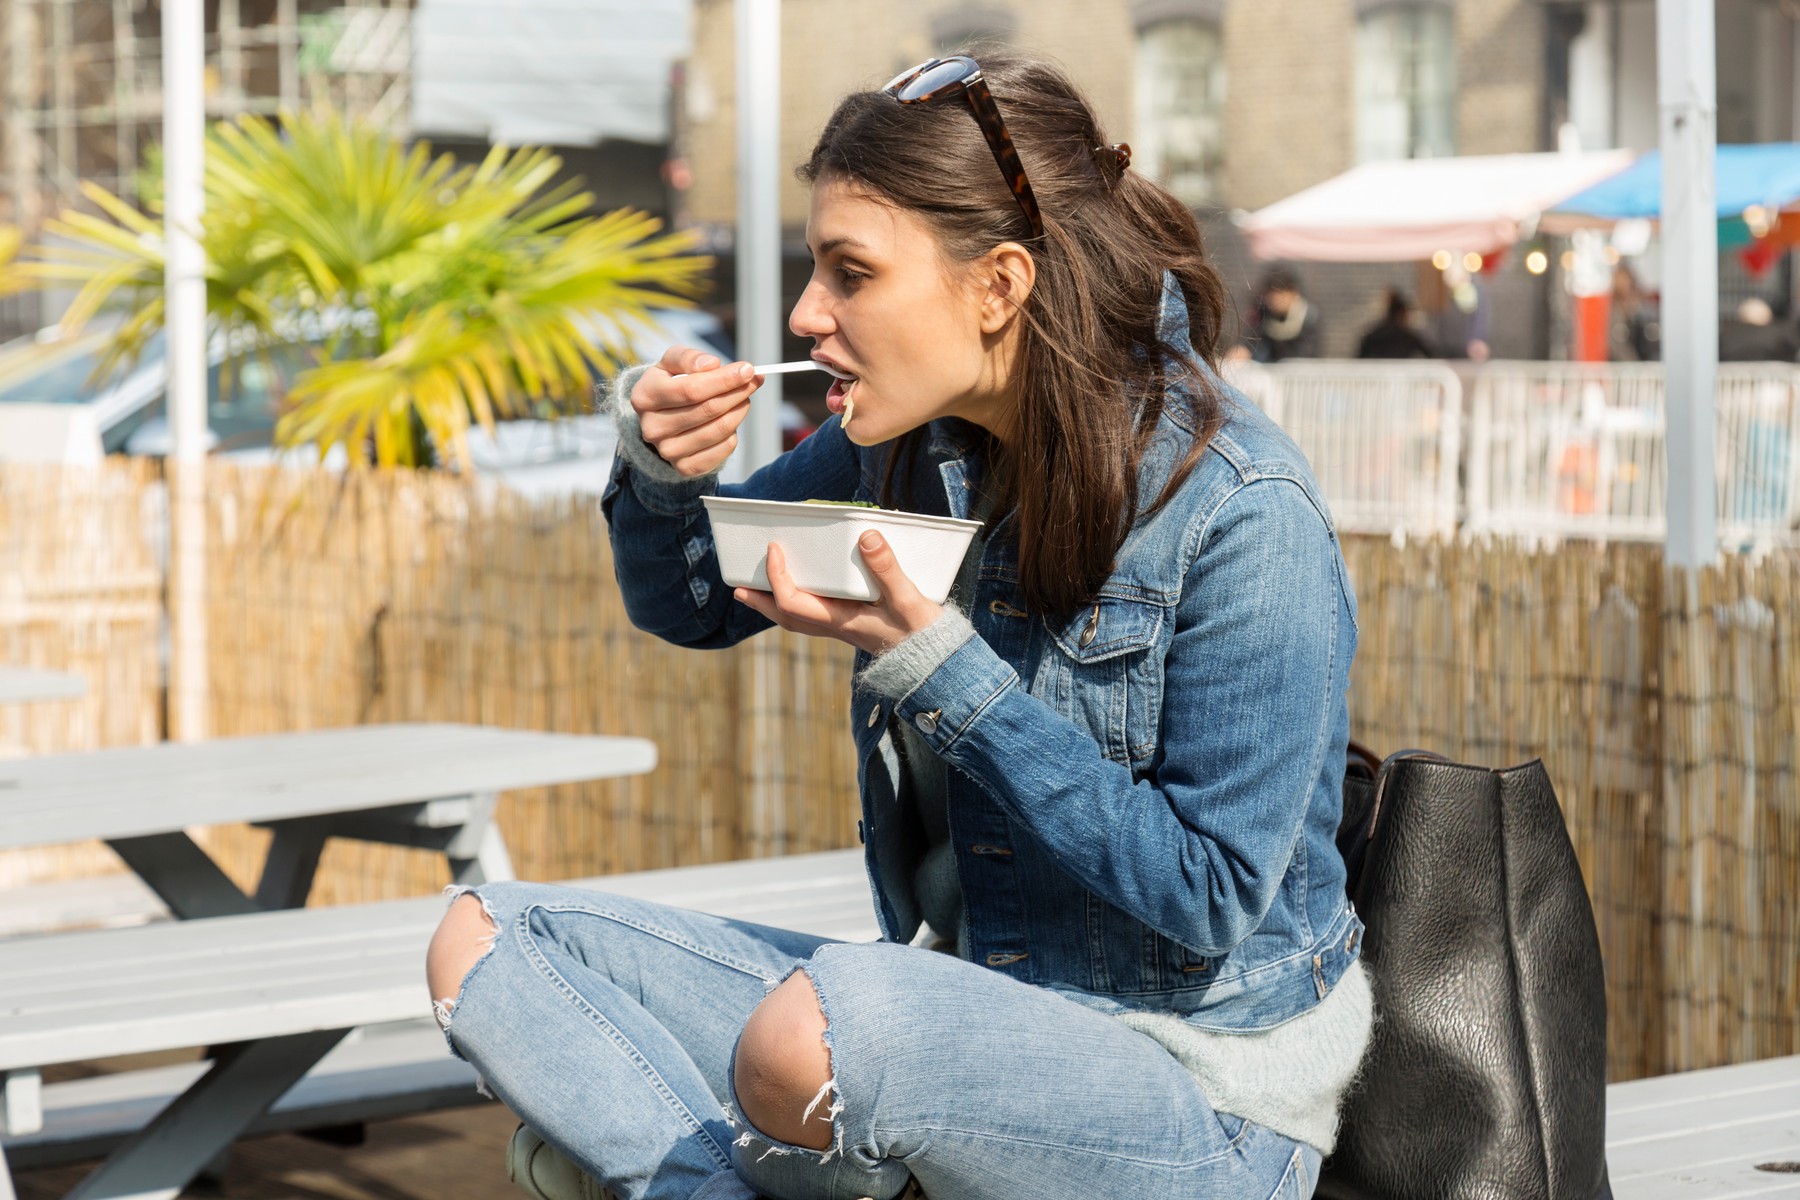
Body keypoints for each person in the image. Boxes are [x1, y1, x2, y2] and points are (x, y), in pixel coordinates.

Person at [426, 52, 1371, 1200]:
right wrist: (660, 467)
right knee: (490, 943)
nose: (803, 313)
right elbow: (691, 602)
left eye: (850, 272)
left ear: (998, 286)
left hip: (1197, 1096)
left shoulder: (1239, 509)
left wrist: (939, 670)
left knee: (803, 1044)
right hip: (957, 1018)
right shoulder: (906, 446)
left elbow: (1209, 890)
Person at [1237, 264, 1323, 362]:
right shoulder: (1263, 314)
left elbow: (1307, 354)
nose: (1275, 300)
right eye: (1271, 295)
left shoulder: (1309, 317)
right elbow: (1251, 341)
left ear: (1294, 293)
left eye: (1280, 295)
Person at [1356, 289, 1434, 359]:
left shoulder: (1372, 335)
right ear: (1402, 314)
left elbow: (1359, 361)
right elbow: (1430, 355)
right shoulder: (1407, 337)